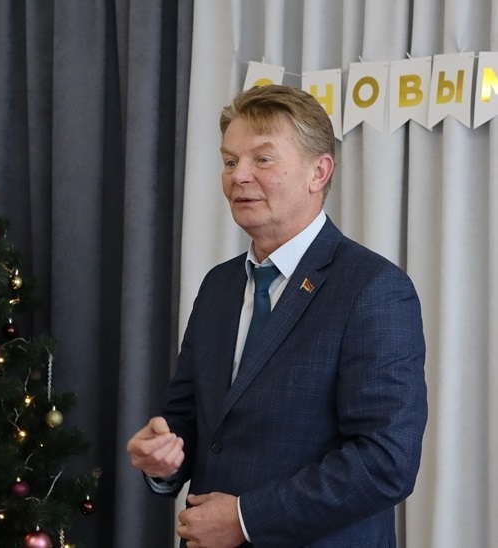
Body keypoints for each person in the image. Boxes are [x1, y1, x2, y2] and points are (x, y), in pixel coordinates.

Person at [127, 84, 427, 547]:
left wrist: (244, 518)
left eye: (263, 159)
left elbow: (386, 461)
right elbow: (189, 421)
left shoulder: (374, 288)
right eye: (230, 161)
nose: (239, 176)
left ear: (318, 172)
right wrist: (162, 458)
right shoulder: (218, 286)